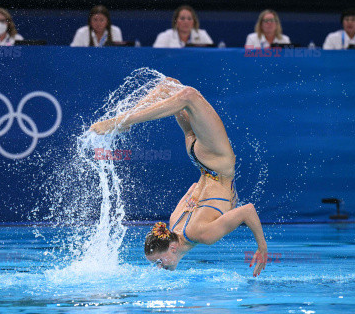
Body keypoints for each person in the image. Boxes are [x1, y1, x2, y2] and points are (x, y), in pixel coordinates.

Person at [90, 77, 268, 276]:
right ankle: (124, 121)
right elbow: (194, 188)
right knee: (169, 86)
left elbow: (248, 211)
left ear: (172, 248)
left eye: (158, 260)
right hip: (201, 161)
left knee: (188, 96)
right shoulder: (174, 222)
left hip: (217, 161)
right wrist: (207, 201)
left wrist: (262, 247)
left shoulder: (203, 235)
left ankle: (123, 121)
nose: (159, 265)